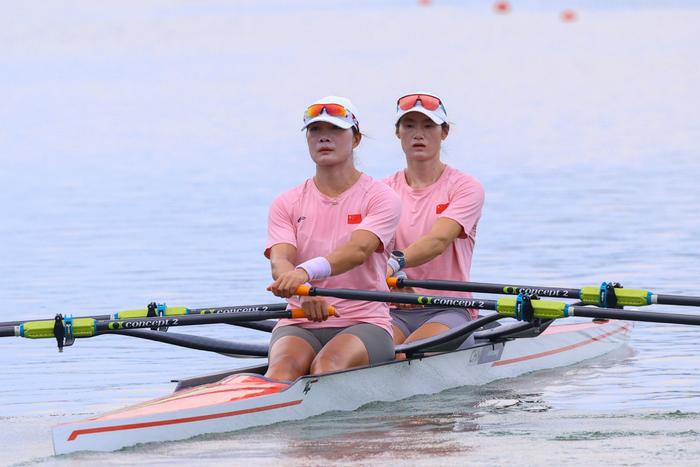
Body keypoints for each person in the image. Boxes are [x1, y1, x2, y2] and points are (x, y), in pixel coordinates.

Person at [264, 96, 402, 381]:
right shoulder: (286, 202)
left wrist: (304, 274)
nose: (324, 137)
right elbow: (280, 261)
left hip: (364, 320)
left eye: (335, 129)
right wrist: (303, 294)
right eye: (315, 130)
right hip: (300, 319)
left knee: (327, 367)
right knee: (281, 371)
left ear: (356, 139)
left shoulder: (381, 197)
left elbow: (358, 250)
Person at [383, 92, 485, 346]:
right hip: (393, 307)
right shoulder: (382, 191)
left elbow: (438, 240)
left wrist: (394, 265)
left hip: (448, 307)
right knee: (377, 353)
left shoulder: (465, 187)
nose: (418, 134)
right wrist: (391, 280)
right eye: (409, 126)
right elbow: (366, 248)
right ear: (398, 132)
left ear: (444, 132)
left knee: (405, 353)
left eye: (428, 126)